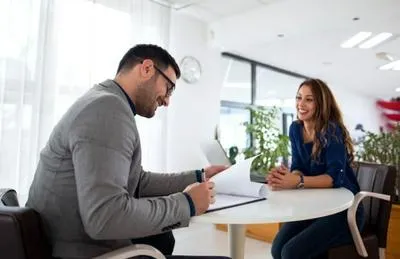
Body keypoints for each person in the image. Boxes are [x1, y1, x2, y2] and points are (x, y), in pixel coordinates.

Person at [26, 44, 230, 259]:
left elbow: (137, 181)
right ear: (147, 69)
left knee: (163, 238)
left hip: (64, 239)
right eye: (169, 88)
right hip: (77, 250)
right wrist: (187, 203)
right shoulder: (107, 109)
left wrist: (200, 176)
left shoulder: (104, 101)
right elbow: (105, 217)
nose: (168, 101)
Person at [267, 78, 364, 259]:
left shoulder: (332, 130)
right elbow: (298, 167)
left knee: (291, 253)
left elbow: (335, 178)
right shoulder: (295, 128)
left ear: (321, 104)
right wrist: (286, 178)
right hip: (315, 206)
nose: (300, 104)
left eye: (309, 99)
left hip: (344, 210)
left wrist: (297, 181)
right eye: (298, 97)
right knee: (277, 248)